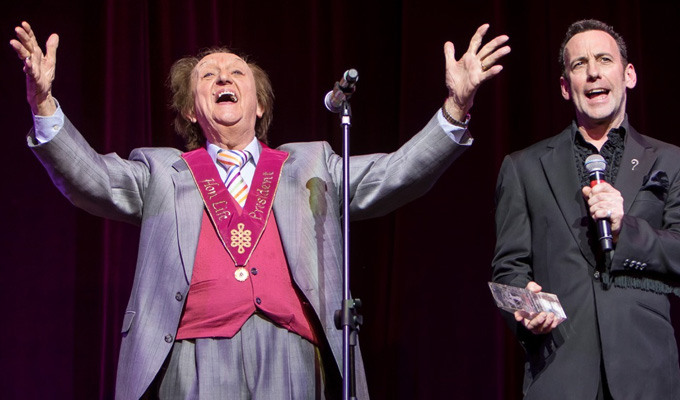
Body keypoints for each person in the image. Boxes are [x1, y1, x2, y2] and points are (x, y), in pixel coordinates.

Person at [11, 20, 510, 400]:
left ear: (257, 107)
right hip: (192, 357)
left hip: (292, 354)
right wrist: (44, 102)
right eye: (209, 75)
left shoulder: (310, 163)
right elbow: (91, 177)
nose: (223, 78)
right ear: (190, 109)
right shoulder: (161, 170)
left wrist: (455, 110)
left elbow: (394, 173)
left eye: (236, 74)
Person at [492, 19, 680, 399]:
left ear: (628, 75)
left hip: (647, 374)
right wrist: (526, 307)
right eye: (579, 64)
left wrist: (626, 227)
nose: (593, 71)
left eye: (604, 59)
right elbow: (508, 269)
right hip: (561, 374)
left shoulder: (669, 160)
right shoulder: (524, 167)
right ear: (566, 87)